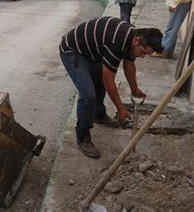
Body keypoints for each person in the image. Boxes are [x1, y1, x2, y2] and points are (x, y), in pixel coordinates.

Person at [59, 16, 163, 158]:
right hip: (73, 51)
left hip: (92, 53)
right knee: (88, 94)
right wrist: (120, 109)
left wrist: (134, 89)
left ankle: (98, 115)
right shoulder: (118, 41)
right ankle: (82, 137)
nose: (143, 56)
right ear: (136, 40)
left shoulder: (132, 38)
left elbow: (129, 63)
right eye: (143, 52)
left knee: (100, 81)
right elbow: (109, 81)